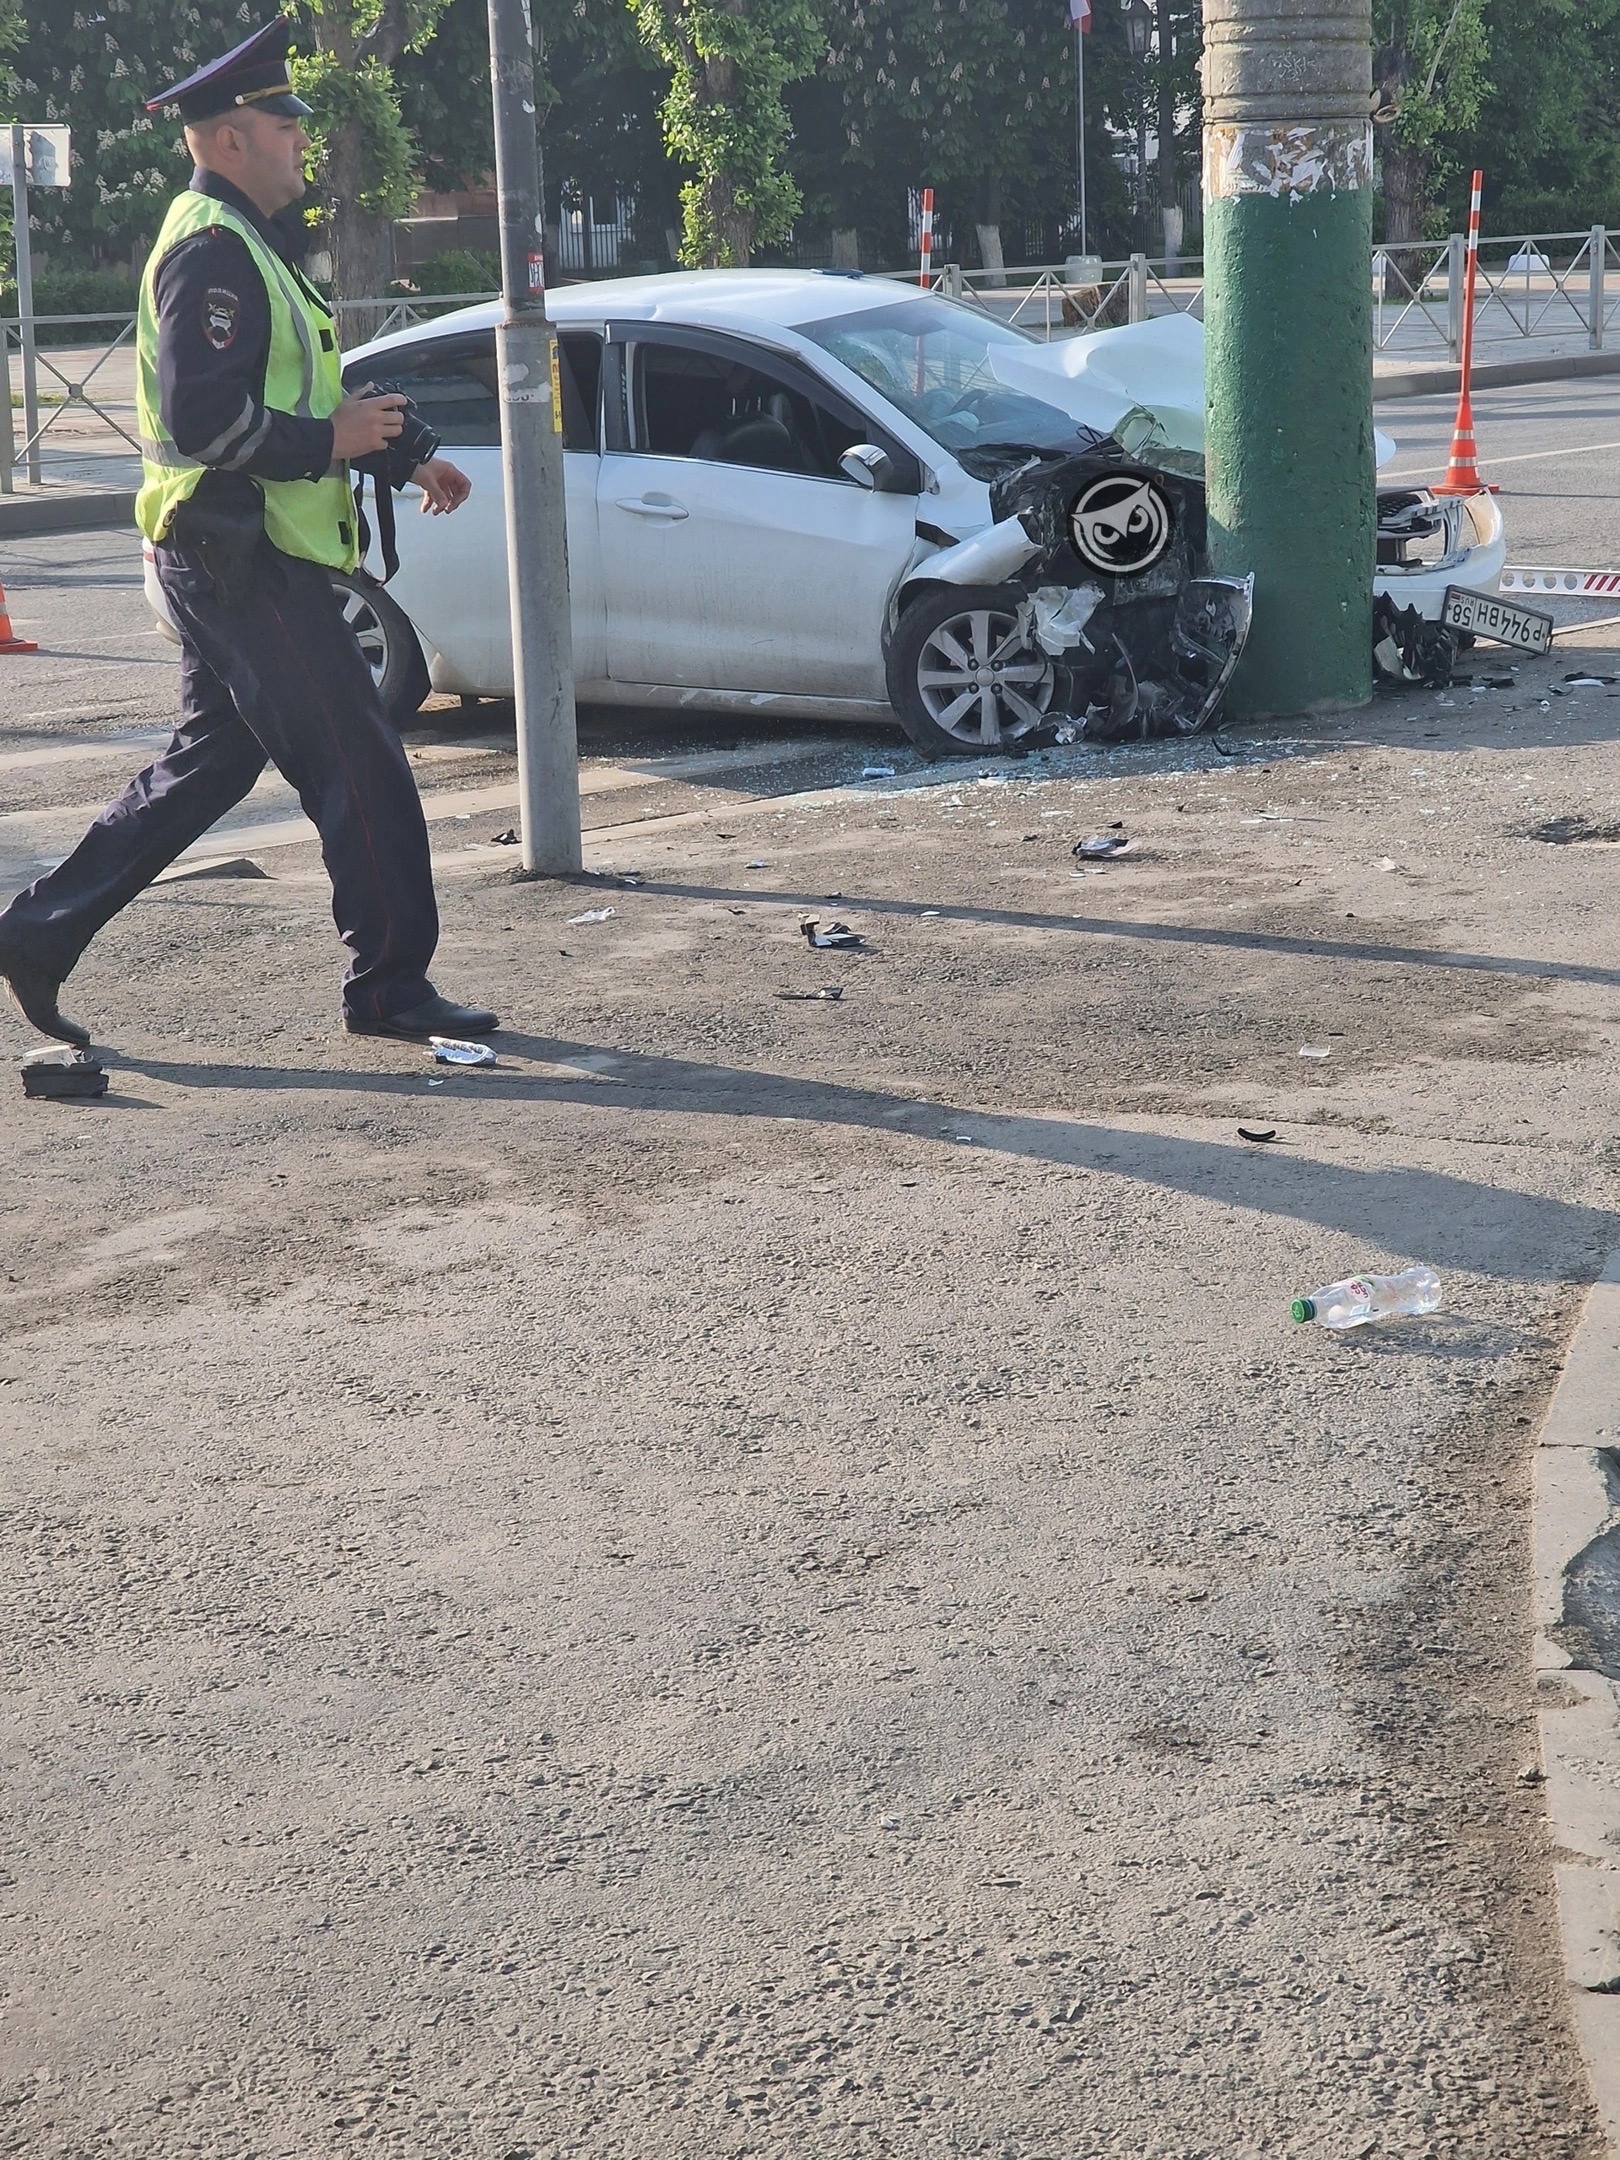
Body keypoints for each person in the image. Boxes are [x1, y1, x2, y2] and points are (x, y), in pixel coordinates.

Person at [0, 19, 499, 1047]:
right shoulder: (211, 248)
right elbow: (203, 421)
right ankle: (391, 985)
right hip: (241, 557)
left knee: (213, 763)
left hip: (232, 549)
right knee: (360, 762)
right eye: (284, 124)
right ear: (230, 138)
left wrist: (399, 450)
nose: (300, 141)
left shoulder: (244, 244)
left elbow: (305, 388)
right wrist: (331, 442)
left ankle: (38, 934)